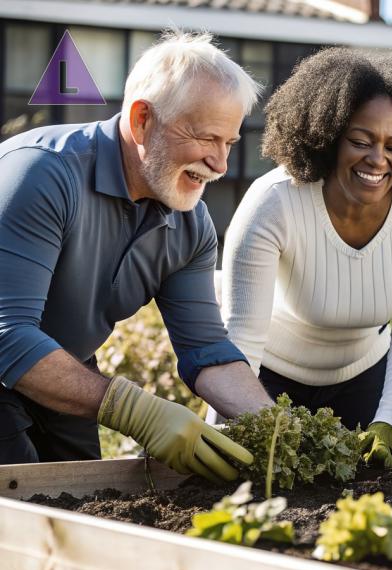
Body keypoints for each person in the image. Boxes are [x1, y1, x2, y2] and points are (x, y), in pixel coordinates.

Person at [0, 31, 272, 481]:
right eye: (206, 138)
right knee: (19, 504)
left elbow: (206, 350)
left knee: (85, 500)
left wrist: (277, 426)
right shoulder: (42, 174)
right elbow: (7, 334)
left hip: (62, 362)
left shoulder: (190, 224)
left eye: (230, 143)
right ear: (143, 119)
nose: (220, 164)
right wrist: (137, 412)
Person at [221, 48, 392, 471]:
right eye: (360, 142)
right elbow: (241, 343)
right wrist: (244, 429)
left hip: (364, 380)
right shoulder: (274, 202)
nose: (378, 160)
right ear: (329, 136)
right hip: (265, 382)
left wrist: (389, 421)